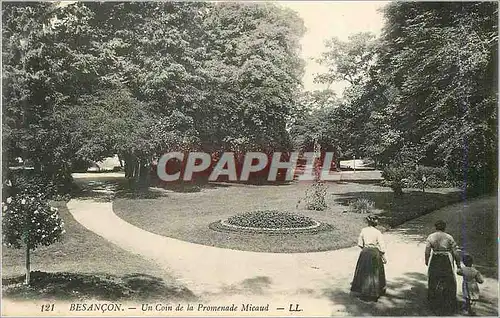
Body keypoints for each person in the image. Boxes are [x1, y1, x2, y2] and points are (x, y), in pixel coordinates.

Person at [425, 220, 461, 315]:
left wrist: (427, 260)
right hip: (446, 259)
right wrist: (458, 264)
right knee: (449, 279)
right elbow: (455, 252)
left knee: (433, 278)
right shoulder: (449, 237)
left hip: (435, 257)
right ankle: (449, 301)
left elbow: (427, 250)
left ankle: (433, 300)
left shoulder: (431, 237)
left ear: (436, 227)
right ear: (444, 228)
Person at [350, 214, 387, 301]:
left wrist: (365, 249)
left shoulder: (364, 231)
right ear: (375, 222)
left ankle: (364, 290)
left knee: (364, 271)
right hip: (374, 253)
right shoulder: (378, 233)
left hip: (365, 253)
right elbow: (382, 247)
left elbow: (360, 244)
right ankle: (374, 292)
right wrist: (383, 256)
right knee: (374, 272)